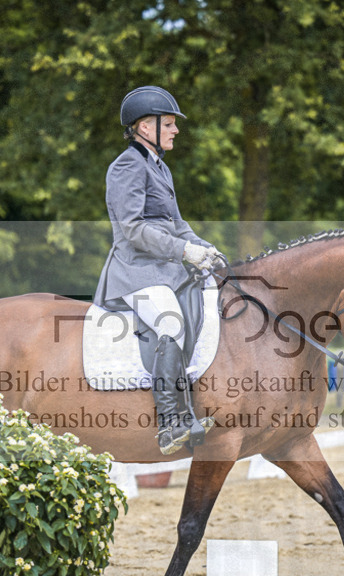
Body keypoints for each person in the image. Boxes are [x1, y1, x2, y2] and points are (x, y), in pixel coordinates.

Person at [94, 85, 224, 455]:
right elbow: (133, 229)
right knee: (171, 322)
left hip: (166, 270)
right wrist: (184, 251)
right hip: (135, 271)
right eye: (168, 123)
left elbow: (178, 224)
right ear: (144, 127)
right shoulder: (126, 166)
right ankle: (171, 424)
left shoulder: (160, 168)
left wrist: (204, 248)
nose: (175, 130)